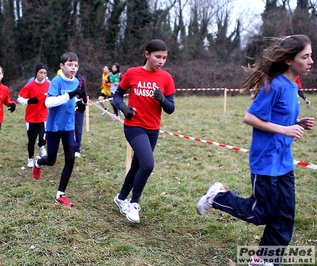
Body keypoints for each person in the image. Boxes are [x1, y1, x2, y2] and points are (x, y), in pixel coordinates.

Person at [196, 34, 314, 266]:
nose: (311, 61)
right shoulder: (275, 85)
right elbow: (249, 117)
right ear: (289, 60)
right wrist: (286, 130)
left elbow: (280, 118)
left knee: (285, 215)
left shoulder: (293, 86)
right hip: (266, 162)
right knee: (261, 213)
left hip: (284, 162)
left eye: (311, 56)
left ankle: (265, 260)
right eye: (306, 56)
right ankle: (218, 197)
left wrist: (297, 124)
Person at [112, 39, 176, 223]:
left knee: (137, 166)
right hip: (134, 126)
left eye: (164, 57)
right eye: (158, 57)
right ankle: (134, 203)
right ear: (147, 54)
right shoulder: (132, 73)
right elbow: (116, 96)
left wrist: (163, 99)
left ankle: (121, 198)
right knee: (147, 164)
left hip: (153, 129)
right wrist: (124, 108)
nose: (161, 61)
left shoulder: (166, 78)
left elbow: (171, 108)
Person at [32, 52, 87, 207]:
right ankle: (39, 162)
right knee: (51, 160)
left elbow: (72, 100)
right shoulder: (56, 81)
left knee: (70, 158)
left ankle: (60, 194)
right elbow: (49, 102)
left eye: (76, 65)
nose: (73, 68)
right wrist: (71, 95)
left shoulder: (76, 81)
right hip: (54, 127)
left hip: (68, 127)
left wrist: (78, 104)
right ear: (62, 66)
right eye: (70, 64)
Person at [17, 63, 49, 168]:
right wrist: (28, 100)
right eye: (41, 72)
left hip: (43, 116)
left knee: (43, 138)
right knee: (31, 140)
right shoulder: (30, 86)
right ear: (36, 73)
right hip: (31, 118)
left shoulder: (49, 85)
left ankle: (40, 145)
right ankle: (30, 158)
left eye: (44, 73)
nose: (43, 75)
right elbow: (19, 99)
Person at [74, 71, 88, 158]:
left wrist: (85, 101)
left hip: (79, 106)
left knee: (78, 128)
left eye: (75, 66)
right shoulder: (61, 78)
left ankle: (77, 148)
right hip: (66, 106)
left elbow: (84, 91)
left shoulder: (81, 78)